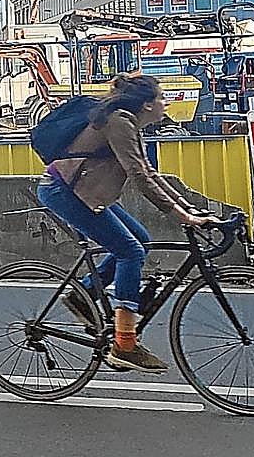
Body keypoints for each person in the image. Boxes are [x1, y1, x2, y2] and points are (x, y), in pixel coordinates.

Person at [37, 74, 218, 373]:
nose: (166, 103)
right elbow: (139, 177)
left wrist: (188, 208)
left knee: (140, 240)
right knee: (130, 251)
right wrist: (181, 216)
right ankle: (124, 343)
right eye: (162, 98)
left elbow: (148, 172)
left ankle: (83, 296)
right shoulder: (119, 122)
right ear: (147, 104)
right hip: (64, 191)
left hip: (86, 190)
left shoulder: (128, 123)